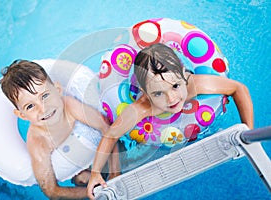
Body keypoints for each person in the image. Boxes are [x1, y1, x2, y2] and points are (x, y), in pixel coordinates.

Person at [87, 43, 254, 198]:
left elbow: (239, 89)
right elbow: (111, 135)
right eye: (158, 93)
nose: (172, 99)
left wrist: (248, 129)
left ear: (182, 75)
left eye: (175, 86)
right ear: (145, 93)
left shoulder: (193, 85)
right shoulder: (144, 106)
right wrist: (95, 173)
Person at [0, 60, 120, 199]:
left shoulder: (69, 106)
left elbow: (107, 128)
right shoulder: (38, 142)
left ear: (57, 89)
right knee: (82, 177)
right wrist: (96, 192)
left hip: (96, 150)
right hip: (79, 171)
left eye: (44, 96)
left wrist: (115, 174)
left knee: (119, 147)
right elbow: (52, 191)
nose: (43, 108)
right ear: (22, 115)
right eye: (30, 106)